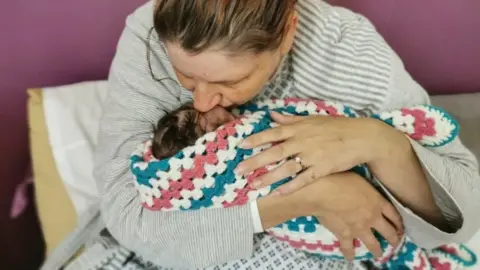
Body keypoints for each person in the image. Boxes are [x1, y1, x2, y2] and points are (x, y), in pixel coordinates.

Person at [94, 0, 480, 269]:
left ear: (287, 33)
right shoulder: (151, 35)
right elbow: (129, 218)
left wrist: (381, 142)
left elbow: (462, 222)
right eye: (185, 77)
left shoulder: (350, 51)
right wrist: (311, 197)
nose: (203, 101)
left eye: (231, 80)